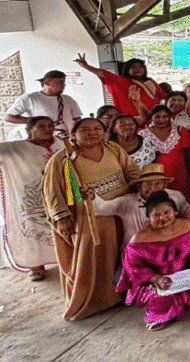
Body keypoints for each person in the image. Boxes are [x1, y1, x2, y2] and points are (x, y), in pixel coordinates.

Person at [43, 118, 141, 320]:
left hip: (120, 212)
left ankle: (121, 294)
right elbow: (52, 191)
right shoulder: (64, 159)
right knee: (93, 258)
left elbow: (131, 171)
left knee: (122, 254)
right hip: (88, 216)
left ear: (105, 132)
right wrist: (61, 217)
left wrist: (142, 187)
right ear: (74, 134)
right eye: (85, 130)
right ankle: (93, 301)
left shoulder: (113, 149)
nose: (92, 133)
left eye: (97, 129)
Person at [115, 192, 190, 331]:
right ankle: (162, 315)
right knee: (161, 299)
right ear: (149, 218)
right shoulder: (139, 239)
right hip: (152, 281)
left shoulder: (187, 226)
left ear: (175, 212)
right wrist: (156, 279)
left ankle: (176, 306)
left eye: (167, 212)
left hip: (180, 276)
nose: (162, 218)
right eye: (156, 215)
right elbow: (132, 267)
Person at [0, 117, 63, 280]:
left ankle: (65, 259)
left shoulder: (62, 144)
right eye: (41, 126)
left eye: (50, 125)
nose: (47, 129)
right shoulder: (15, 147)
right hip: (29, 196)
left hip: (60, 192)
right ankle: (36, 265)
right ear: (29, 130)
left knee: (61, 224)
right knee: (33, 228)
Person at [89, 163, 190, 247]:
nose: (153, 188)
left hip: (170, 250)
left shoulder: (176, 197)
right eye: (148, 184)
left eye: (158, 183)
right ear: (139, 187)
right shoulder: (127, 202)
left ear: (165, 185)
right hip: (136, 253)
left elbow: (189, 216)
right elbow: (100, 209)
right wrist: (93, 197)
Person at [74, 55, 165, 116]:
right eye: (133, 67)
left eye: (140, 67)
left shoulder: (151, 81)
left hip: (154, 118)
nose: (137, 69)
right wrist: (86, 66)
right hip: (132, 119)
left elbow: (162, 97)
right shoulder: (122, 81)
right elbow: (104, 73)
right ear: (127, 70)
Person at [4, 70, 82, 139]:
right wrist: (36, 122)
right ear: (47, 83)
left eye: (63, 82)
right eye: (60, 82)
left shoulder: (68, 99)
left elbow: (77, 118)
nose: (64, 85)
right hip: (42, 140)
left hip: (66, 139)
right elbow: (9, 117)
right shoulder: (30, 98)